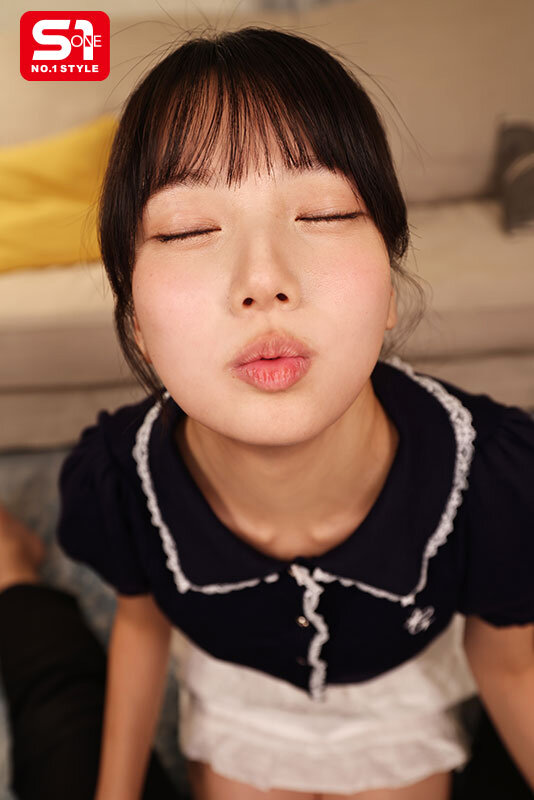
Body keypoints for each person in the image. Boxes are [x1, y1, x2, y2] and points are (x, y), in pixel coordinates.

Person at [17, 24, 534, 800]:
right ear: (135, 324)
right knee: (59, 731)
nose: (263, 279)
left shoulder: (492, 480)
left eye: (322, 214)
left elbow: (511, 666)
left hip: (400, 712)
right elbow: (142, 619)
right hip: (234, 710)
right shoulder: (121, 479)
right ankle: (12, 574)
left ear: (390, 292)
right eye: (189, 227)